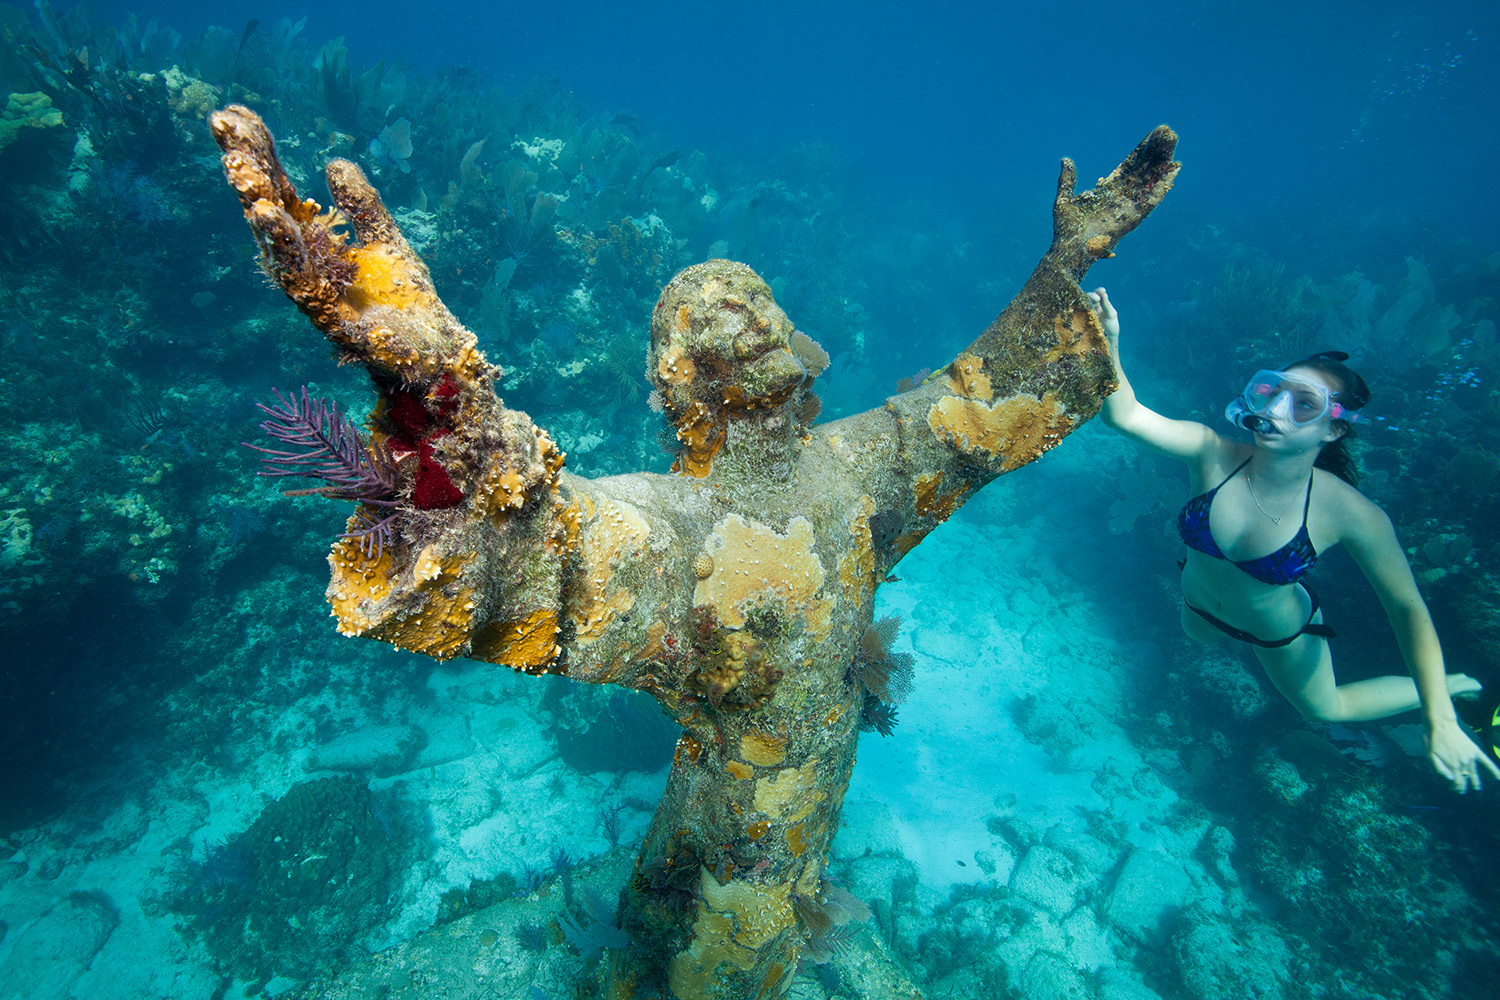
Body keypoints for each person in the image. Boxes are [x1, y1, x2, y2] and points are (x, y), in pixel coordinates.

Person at [1090, 287, 1499, 794]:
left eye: (1303, 404)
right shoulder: (1211, 451)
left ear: (1333, 430)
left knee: (1325, 708)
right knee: (1198, 637)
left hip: (1280, 633)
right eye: (1271, 392)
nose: (1278, 409)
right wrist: (1107, 340)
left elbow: (1407, 608)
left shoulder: (1353, 513)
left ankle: (1444, 688)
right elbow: (1123, 415)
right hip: (1197, 609)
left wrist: (1441, 721)